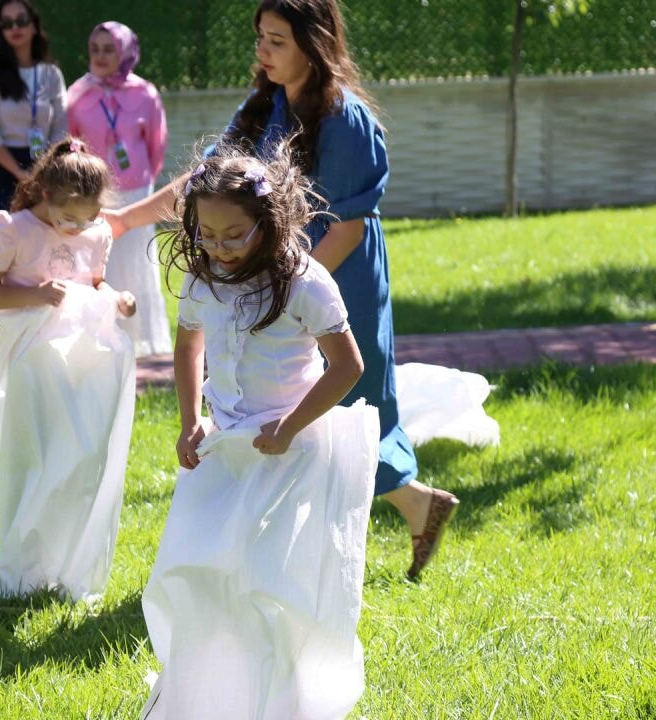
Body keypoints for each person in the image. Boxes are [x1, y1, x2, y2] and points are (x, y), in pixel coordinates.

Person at [105, 0, 459, 580]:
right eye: (260, 39)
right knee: (279, 411)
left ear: (313, 45)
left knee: (340, 408)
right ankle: (403, 511)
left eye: (276, 41)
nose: (262, 52)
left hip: (332, 276)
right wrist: (125, 220)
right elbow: (206, 186)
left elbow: (348, 225)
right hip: (265, 278)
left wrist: (284, 296)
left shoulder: (344, 118)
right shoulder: (263, 104)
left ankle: (323, 552)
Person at [140, 143, 376, 718]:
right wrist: (190, 418)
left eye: (234, 235)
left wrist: (290, 426)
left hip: (291, 453)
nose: (218, 249)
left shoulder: (304, 283)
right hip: (225, 448)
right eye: (206, 234)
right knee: (202, 571)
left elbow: (348, 366)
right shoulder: (203, 281)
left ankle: (284, 699)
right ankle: (210, 691)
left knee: (273, 583)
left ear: (268, 225)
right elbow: (188, 345)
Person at [0, 138, 137, 601]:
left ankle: (68, 566)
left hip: (88, 359)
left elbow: (93, 282)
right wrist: (36, 294)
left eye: (86, 219)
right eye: (68, 218)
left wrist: (116, 298)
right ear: (42, 192)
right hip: (34, 361)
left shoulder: (95, 231)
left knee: (83, 458)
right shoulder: (13, 229)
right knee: (37, 457)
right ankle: (23, 572)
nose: (75, 228)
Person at [0, 0, 67, 369]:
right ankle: (0, 340)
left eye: (21, 20)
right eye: (6, 22)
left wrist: (45, 171)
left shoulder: (50, 73)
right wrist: (22, 174)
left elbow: (60, 127)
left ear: (34, 24)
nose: (14, 27)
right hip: (0, 166)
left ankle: (40, 329)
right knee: (4, 250)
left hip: (45, 165)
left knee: (38, 247)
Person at [66, 21, 171, 357]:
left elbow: (157, 147)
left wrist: (139, 183)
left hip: (138, 192)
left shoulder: (146, 94)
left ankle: (143, 343)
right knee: (100, 264)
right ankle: (101, 339)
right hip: (95, 195)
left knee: (138, 263)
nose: (100, 55)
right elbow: (71, 146)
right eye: (94, 48)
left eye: (108, 49)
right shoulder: (77, 93)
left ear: (125, 52)